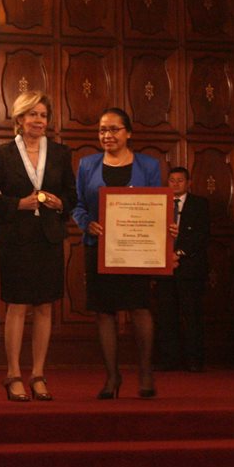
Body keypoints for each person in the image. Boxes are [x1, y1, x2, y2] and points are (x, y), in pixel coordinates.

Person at [0, 91, 77, 402]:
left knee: (45, 307)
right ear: (19, 119)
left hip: (48, 239)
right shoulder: (3, 153)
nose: (39, 121)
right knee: (17, 306)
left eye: (43, 115)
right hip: (16, 240)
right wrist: (17, 203)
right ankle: (13, 374)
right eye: (32, 115)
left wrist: (62, 204)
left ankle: (39, 374)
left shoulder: (60, 153)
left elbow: (72, 196)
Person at [72, 107, 163, 399]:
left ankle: (146, 373)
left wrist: (167, 230)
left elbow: (159, 205)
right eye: (102, 130)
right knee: (104, 313)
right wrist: (87, 224)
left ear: (128, 133)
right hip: (99, 249)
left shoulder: (148, 165)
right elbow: (77, 205)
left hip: (137, 249)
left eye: (113, 129)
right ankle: (112, 377)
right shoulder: (87, 165)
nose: (107, 135)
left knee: (140, 308)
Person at [153, 166, 211, 372]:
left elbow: (201, 235)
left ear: (188, 183)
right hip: (163, 269)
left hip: (190, 269)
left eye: (180, 180)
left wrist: (180, 252)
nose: (175, 183)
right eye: (171, 180)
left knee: (191, 315)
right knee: (167, 315)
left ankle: (194, 360)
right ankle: (170, 360)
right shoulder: (159, 203)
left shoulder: (200, 204)